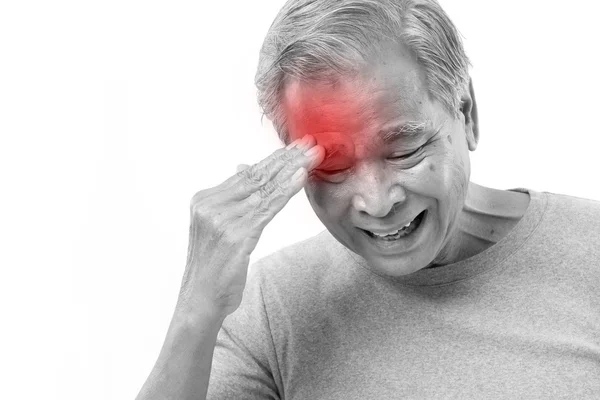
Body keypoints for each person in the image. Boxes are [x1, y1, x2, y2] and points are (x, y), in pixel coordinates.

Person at [136, 0, 600, 398]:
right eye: (332, 165)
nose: (376, 202)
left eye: (403, 150)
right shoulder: (270, 308)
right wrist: (196, 311)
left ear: (466, 113)